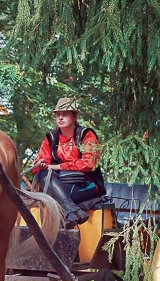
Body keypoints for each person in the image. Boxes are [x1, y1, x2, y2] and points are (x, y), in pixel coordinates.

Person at [31, 97, 106, 227]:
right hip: (60, 185)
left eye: (65, 114)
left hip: (86, 184)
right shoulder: (51, 138)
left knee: (54, 199)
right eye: (57, 115)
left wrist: (58, 166)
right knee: (41, 175)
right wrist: (42, 165)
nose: (60, 118)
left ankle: (69, 212)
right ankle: (71, 210)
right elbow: (36, 168)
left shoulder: (86, 135)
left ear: (74, 116)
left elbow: (89, 164)